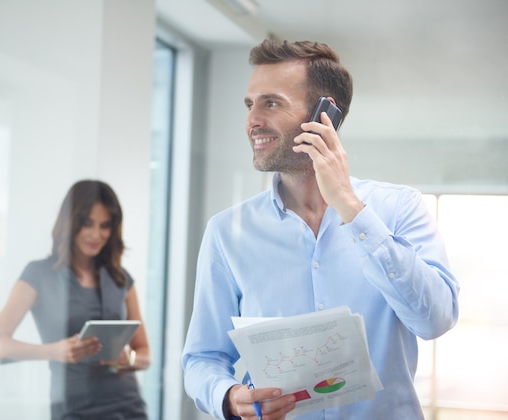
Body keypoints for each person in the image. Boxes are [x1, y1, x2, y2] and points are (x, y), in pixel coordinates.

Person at [181, 39, 459, 419]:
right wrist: (227, 396)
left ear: (324, 114)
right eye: (250, 105)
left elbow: (435, 320)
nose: (252, 121)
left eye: (271, 103)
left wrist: (351, 209)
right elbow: (202, 357)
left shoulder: (398, 208)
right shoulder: (227, 232)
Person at [0, 180, 150, 419]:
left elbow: (145, 354)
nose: (97, 234)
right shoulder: (39, 274)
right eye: (87, 224)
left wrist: (128, 358)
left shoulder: (121, 279)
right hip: (74, 409)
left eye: (105, 226)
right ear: (71, 223)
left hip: (128, 407)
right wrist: (55, 351)